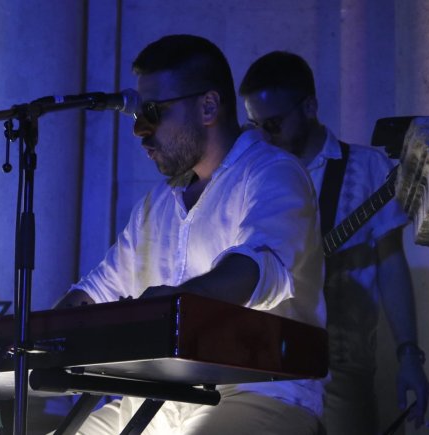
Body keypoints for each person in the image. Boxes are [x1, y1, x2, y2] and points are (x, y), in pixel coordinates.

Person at [54, 36, 326, 434]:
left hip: (255, 391)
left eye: (153, 112)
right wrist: (33, 340)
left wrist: (172, 305)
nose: (141, 131)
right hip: (152, 401)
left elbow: (256, 269)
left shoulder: (272, 172)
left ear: (209, 106)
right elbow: (95, 292)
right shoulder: (154, 206)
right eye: (137, 115)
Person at [239, 51, 429, 434]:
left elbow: (391, 263)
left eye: (273, 124)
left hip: (342, 364)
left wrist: (409, 353)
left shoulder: (367, 168)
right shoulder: (254, 178)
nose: (265, 137)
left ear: (309, 106)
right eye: (255, 126)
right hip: (265, 370)